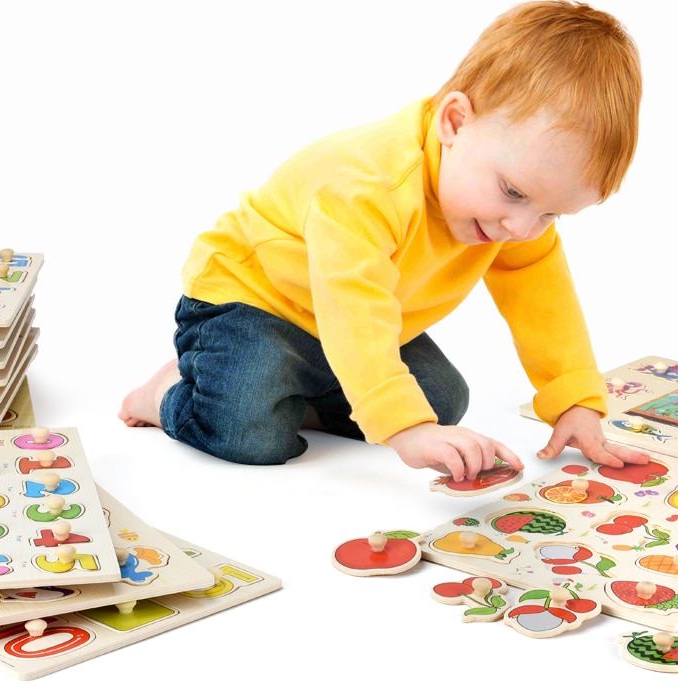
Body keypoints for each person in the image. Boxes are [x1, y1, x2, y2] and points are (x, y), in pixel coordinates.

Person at [119, 0, 649, 481]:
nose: (523, 227)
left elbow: (541, 294)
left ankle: (302, 390)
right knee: (250, 435)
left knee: (442, 401)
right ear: (455, 121)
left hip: (354, 326)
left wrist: (576, 401)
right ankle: (169, 391)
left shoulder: (511, 210)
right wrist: (403, 429)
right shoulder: (365, 185)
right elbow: (353, 303)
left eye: (552, 213)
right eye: (513, 192)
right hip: (252, 304)